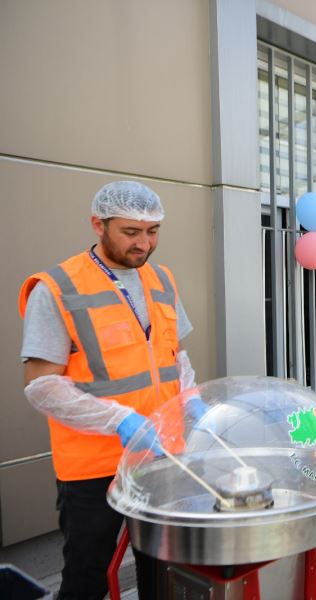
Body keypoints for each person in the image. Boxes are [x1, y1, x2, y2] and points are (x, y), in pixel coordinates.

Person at [19, 181, 195, 600]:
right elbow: (41, 386)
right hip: (91, 465)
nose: (144, 243)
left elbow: (175, 356)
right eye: (130, 232)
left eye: (152, 231)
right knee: (86, 574)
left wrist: (192, 400)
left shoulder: (161, 278)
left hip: (158, 454)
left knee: (161, 567)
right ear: (98, 224)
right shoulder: (58, 286)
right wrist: (120, 420)